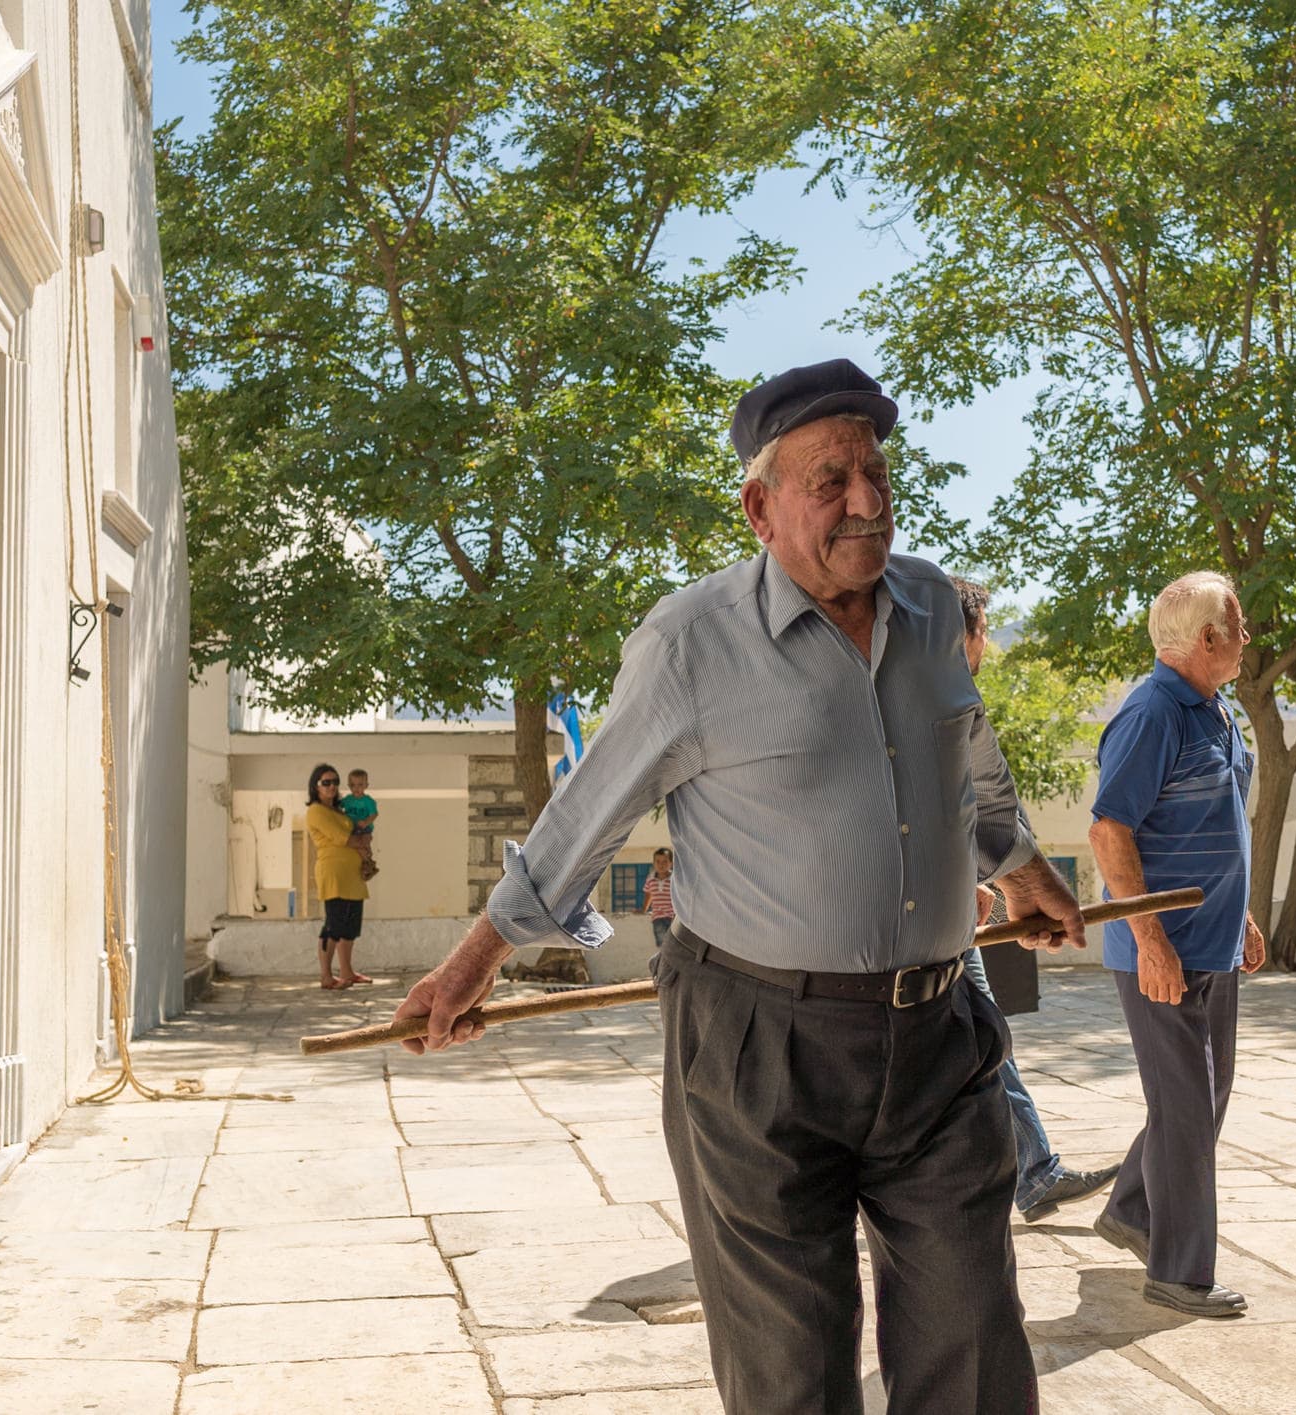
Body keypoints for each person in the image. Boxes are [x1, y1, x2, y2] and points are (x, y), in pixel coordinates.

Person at [394, 359, 1086, 1412]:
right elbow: (587, 813)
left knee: (976, 1351)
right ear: (759, 506)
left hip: (938, 1036)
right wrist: (474, 960)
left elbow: (970, 758)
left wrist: (1020, 863)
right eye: (829, 479)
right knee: (789, 1369)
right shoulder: (688, 643)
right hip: (759, 1046)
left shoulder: (935, 604)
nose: (864, 501)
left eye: (873, 471)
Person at [1087, 570, 1267, 1319]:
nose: (1248, 636)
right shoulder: (1154, 712)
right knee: (1188, 1105)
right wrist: (1150, 938)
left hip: (1214, 940)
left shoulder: (1216, 710)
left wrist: (1244, 913)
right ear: (1206, 639)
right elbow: (1108, 830)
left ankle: (1132, 1205)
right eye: (1239, 623)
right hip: (1163, 949)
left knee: (1203, 1095)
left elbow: (1217, 824)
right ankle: (1180, 1269)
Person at [953, 575, 1120, 1222]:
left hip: (947, 915)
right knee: (971, 1039)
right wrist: (1006, 880)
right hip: (914, 926)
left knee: (983, 1038)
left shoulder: (944, 698)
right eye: (985, 627)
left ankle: (1033, 1169)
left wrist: (981, 880)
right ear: (966, 631)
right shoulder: (929, 698)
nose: (988, 641)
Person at [304, 763, 372, 989]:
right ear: (316, 786)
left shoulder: (340, 809)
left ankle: (347, 972)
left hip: (352, 874)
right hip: (333, 874)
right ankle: (326, 976)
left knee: (351, 925)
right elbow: (342, 837)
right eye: (326, 782)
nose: (331, 786)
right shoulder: (316, 810)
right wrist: (360, 841)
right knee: (334, 925)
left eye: (335, 781)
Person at [342, 768, 381, 879]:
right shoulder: (347, 800)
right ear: (349, 786)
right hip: (352, 829)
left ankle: (368, 864)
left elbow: (374, 814)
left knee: (364, 844)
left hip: (365, 829)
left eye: (360, 785)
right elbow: (338, 807)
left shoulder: (368, 801)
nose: (357, 788)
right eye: (353, 785)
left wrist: (366, 822)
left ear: (366, 785)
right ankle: (366, 865)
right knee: (355, 846)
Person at [640, 847, 677, 948]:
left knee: (674, 943)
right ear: (654, 863)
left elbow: (679, 898)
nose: (661, 865)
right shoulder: (651, 879)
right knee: (662, 943)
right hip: (658, 917)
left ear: (671, 863)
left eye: (665, 861)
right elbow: (648, 895)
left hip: (673, 917)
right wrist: (644, 910)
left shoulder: (674, 879)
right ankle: (663, 960)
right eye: (658, 861)